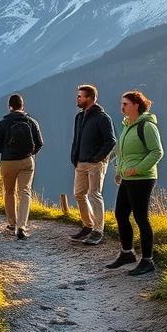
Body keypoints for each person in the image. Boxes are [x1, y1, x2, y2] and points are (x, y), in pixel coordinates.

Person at [105, 90, 164, 276]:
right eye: (122, 103)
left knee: (140, 217)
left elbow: (157, 152)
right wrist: (118, 170)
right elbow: (121, 151)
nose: (122, 107)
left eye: (125, 104)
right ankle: (127, 253)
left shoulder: (146, 126)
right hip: (128, 177)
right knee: (121, 215)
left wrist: (137, 169)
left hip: (143, 178)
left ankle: (147, 261)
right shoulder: (127, 125)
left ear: (136, 105)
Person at [69, 84, 116, 245]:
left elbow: (111, 141)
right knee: (79, 193)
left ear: (91, 98)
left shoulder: (102, 118)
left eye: (80, 96)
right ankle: (88, 226)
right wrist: (74, 158)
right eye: (78, 96)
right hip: (80, 162)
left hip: (95, 163)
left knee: (94, 194)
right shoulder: (79, 117)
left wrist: (98, 158)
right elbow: (77, 139)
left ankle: (98, 230)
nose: (77, 98)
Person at [0, 94, 44, 240]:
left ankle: (11, 224)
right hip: (27, 161)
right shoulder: (31, 122)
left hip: (8, 162)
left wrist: (8, 152)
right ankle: (22, 226)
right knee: (25, 192)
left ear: (10, 107)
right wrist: (30, 153)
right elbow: (39, 143)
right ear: (22, 106)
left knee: (9, 192)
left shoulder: (3, 123)